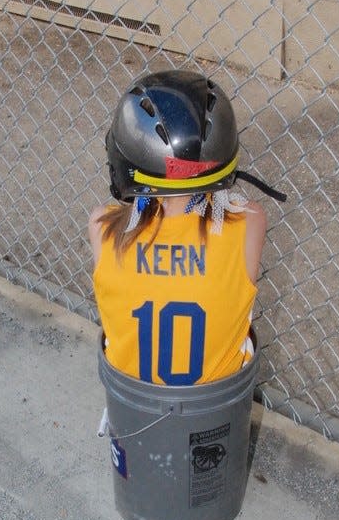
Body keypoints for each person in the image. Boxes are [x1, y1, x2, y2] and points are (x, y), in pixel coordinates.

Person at [88, 70, 286, 386]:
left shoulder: (101, 227)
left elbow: (126, 209)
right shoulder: (250, 223)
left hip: (131, 421)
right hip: (217, 423)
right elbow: (236, 207)